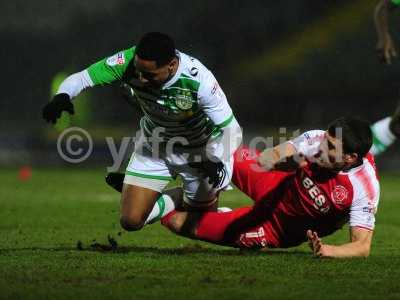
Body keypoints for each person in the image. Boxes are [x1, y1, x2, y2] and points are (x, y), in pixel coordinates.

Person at [42, 32, 242, 232]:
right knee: (131, 221)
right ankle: (173, 195)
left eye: (149, 75)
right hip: (155, 145)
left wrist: (216, 159)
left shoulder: (199, 80)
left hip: (200, 152)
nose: (140, 78)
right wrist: (62, 95)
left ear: (171, 65)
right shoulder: (127, 62)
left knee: (193, 226)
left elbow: (232, 130)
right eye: (138, 71)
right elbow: (83, 78)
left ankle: (188, 201)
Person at [154, 117, 379, 258]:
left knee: (178, 223)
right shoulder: (316, 139)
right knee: (223, 149)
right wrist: (281, 159)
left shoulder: (364, 187)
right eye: (324, 139)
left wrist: (328, 250)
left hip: (275, 227)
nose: (321, 147)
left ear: (350, 158)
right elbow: (267, 159)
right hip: (275, 184)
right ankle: (161, 186)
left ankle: (167, 203)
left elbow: (361, 247)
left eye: (330, 146)